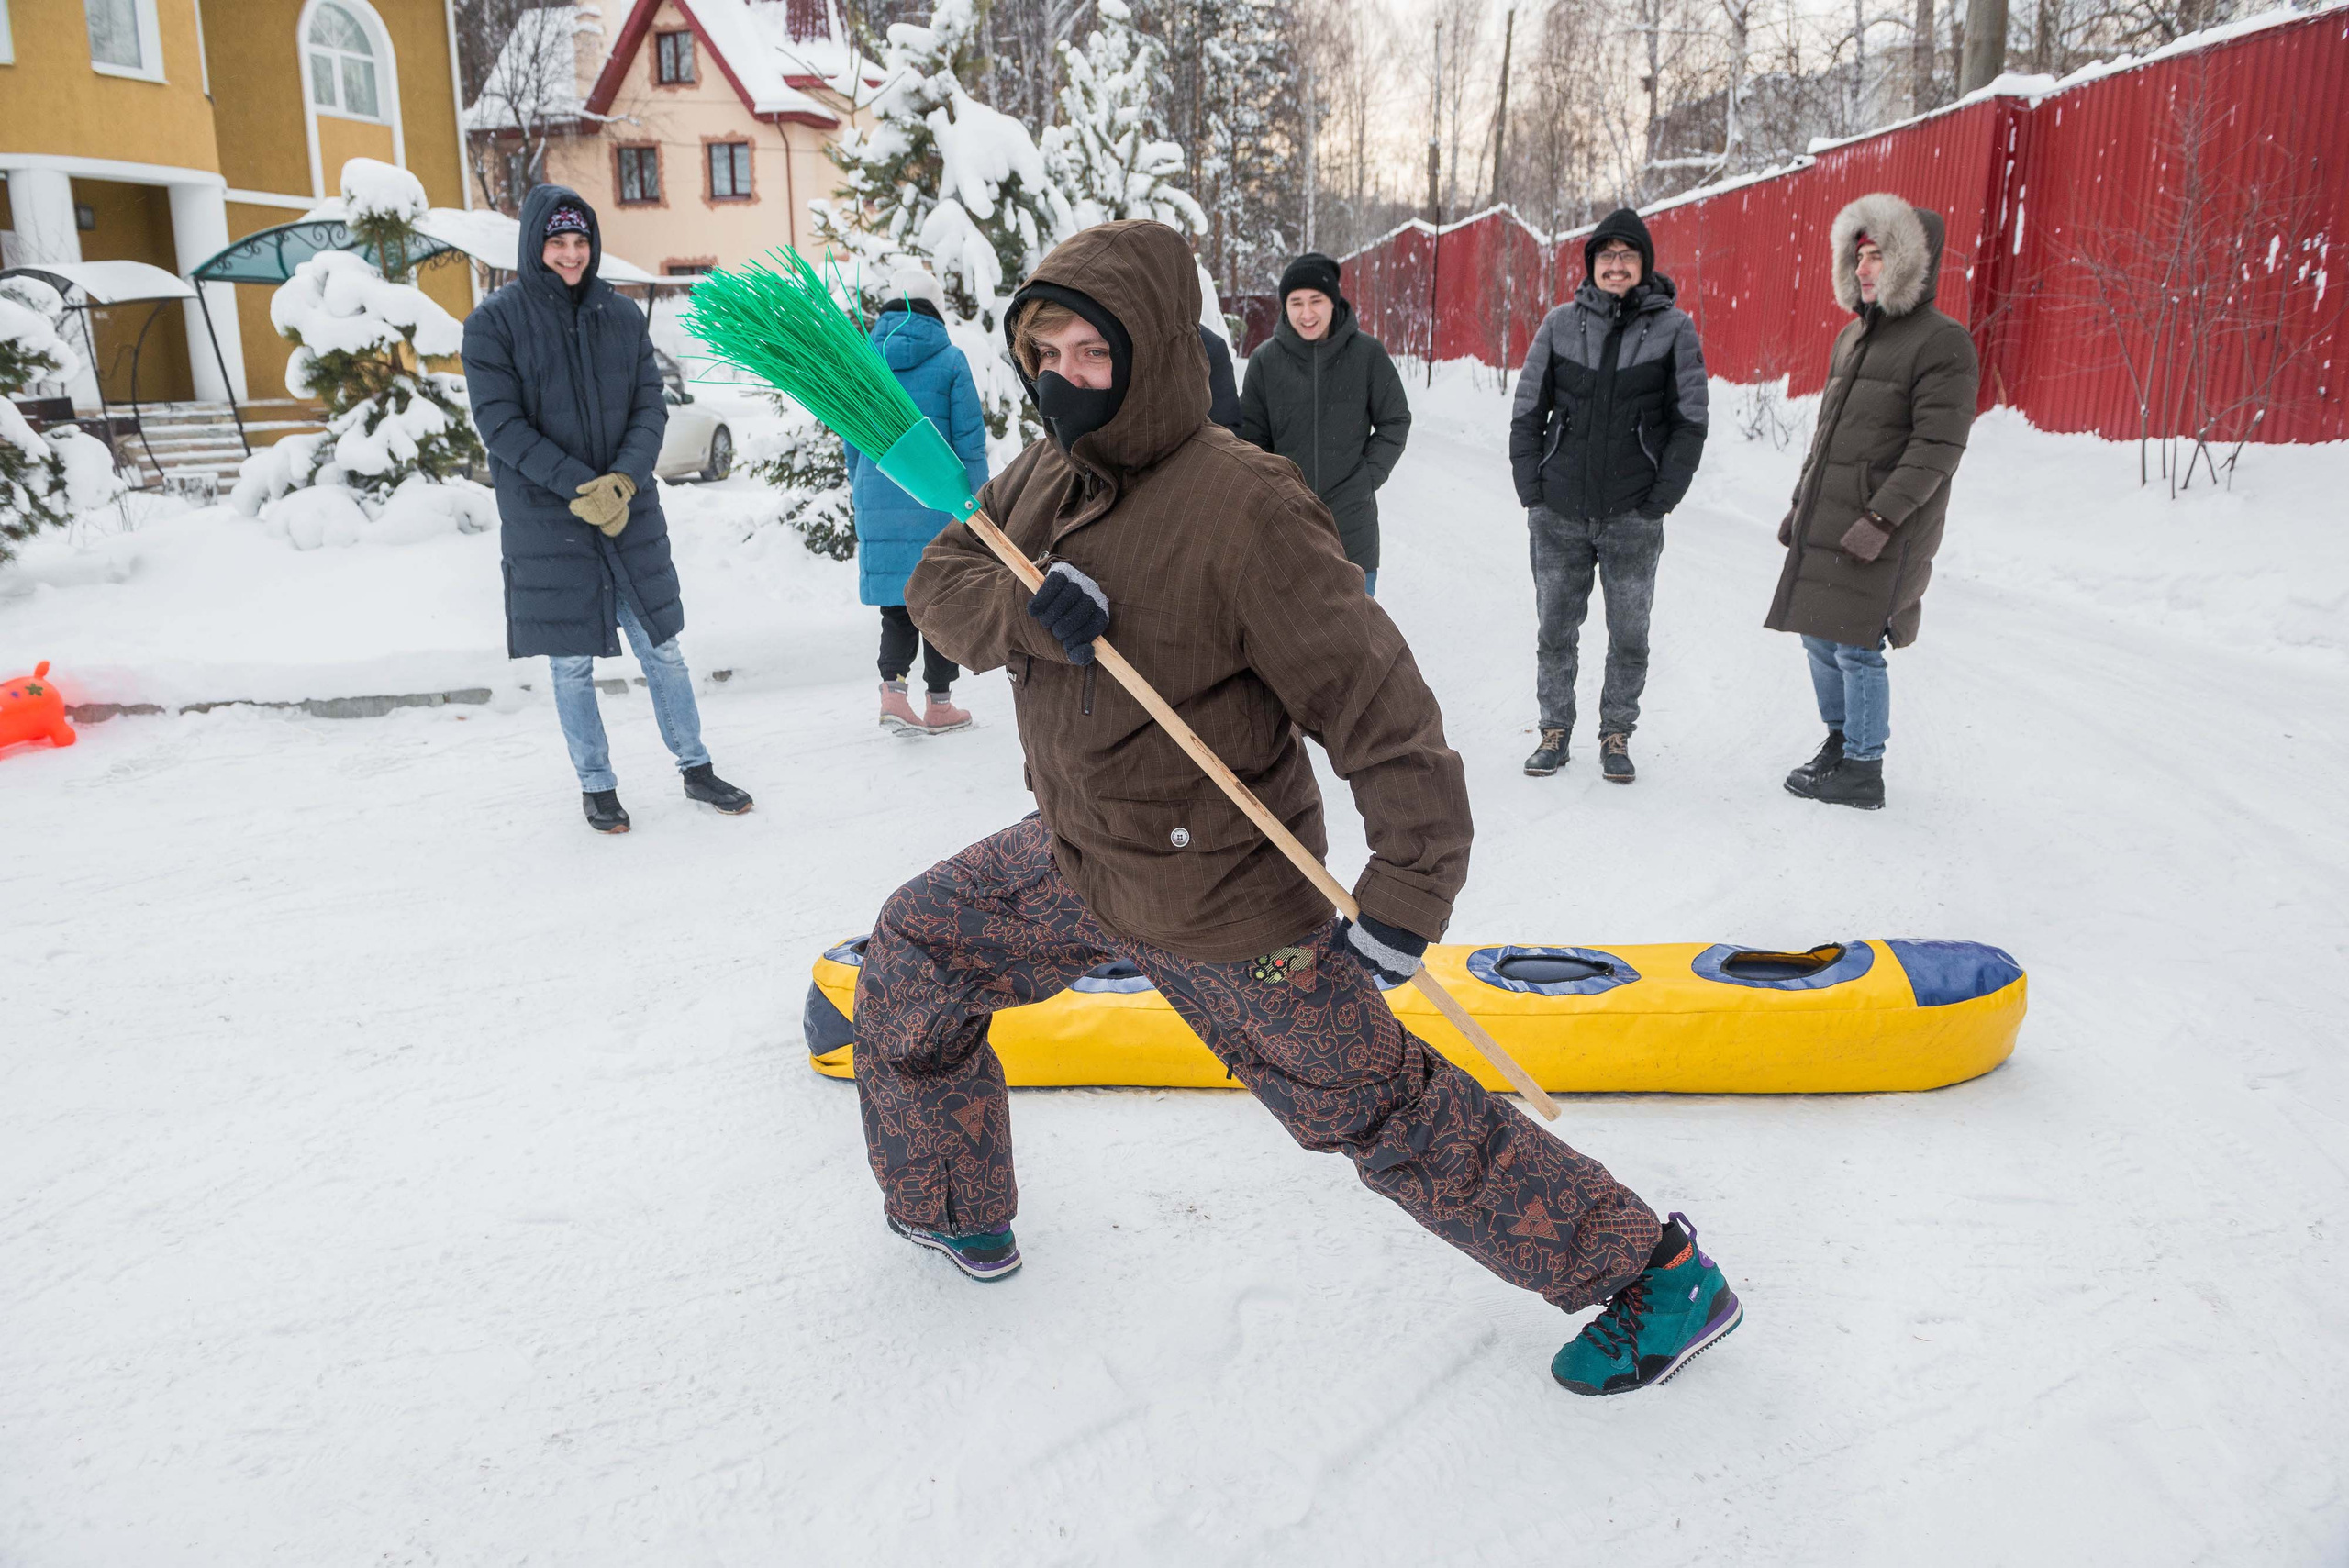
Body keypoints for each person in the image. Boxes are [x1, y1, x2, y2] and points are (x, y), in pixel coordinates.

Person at [859, 219, 1740, 1397]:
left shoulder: (1245, 507)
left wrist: (1408, 890)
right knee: (919, 944)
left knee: (1384, 1114)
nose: (1063, 377)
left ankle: (1655, 1275)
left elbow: (1381, 708)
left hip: (1224, 906)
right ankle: (955, 1205)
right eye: (1046, 352)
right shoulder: (1047, 477)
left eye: (1091, 354)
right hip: (1078, 857)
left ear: (1157, 354)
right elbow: (941, 579)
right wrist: (1027, 617)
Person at [463, 185, 751, 833]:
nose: (571, 254)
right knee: (571, 663)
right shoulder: (494, 325)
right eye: (558, 242)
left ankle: (695, 766)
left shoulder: (621, 318)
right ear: (536, 247)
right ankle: (596, 784)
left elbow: (649, 405)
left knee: (663, 648)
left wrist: (622, 480)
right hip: (550, 522)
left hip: (629, 514)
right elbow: (500, 426)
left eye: (581, 241)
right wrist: (577, 486)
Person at [1768, 192, 1978, 811]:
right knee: (1817, 632)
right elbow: (1827, 438)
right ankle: (1839, 742)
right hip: (1830, 517)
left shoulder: (1944, 343)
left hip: (1886, 526)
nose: (1864, 269)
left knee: (1858, 645)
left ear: (1913, 261)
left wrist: (1881, 518)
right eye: (1859, 256)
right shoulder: (1851, 339)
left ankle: (1864, 766)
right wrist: (1800, 503)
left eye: (1879, 256)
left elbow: (1937, 446)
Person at [1508, 208, 1708, 784]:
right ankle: (1554, 731)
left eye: (1626, 256)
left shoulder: (1675, 330)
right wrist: (1533, 491)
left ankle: (1616, 735)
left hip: (1632, 519)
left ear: (1643, 265)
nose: (1615, 266)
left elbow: (1690, 422)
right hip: (1559, 514)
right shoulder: (1559, 325)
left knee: (1629, 636)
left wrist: (1659, 499)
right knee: (1554, 631)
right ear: (1591, 266)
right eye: (1605, 256)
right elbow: (1527, 412)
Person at [842, 267, 990, 735]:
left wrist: (864, 486)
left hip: (878, 489)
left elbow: (852, 440)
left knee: (897, 602)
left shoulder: (865, 363)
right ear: (935, 306)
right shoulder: (949, 360)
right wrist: (979, 502)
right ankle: (940, 704)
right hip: (937, 494)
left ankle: (893, 693)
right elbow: (969, 441)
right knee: (940, 598)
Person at [1237, 252, 1411, 595]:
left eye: (1316, 301)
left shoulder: (1367, 355)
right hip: (1285, 530)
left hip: (1352, 533)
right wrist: (1273, 492)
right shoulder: (1265, 361)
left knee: (1356, 641)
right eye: (1296, 302)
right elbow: (1251, 443)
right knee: (1289, 642)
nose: (1307, 313)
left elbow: (1396, 420)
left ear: (1333, 302)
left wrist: (1365, 478)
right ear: (1284, 306)